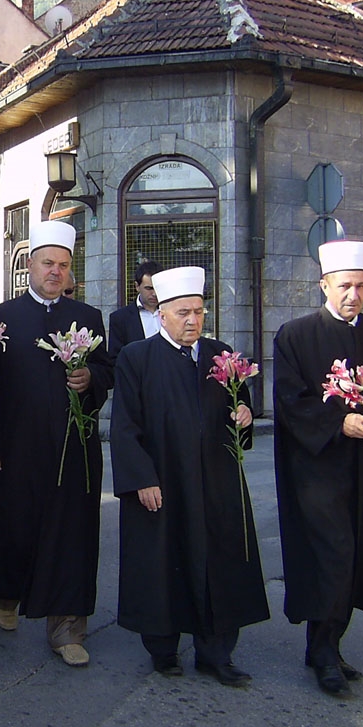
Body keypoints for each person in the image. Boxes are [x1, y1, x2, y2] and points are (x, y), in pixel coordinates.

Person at [111, 266, 269, 685]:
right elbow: (125, 426)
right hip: (163, 481)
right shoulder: (137, 357)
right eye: (183, 312)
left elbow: (242, 409)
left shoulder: (221, 355)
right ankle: (163, 650)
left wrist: (245, 415)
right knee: (162, 562)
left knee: (220, 563)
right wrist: (142, 478)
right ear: (161, 313)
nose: (193, 320)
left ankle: (216, 652)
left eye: (199, 311)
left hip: (215, 482)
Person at [273, 239, 363, 697]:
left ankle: (326, 645)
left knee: (355, 558)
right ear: (324, 285)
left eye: (361, 286)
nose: (353, 294)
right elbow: (291, 403)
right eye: (345, 285)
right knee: (331, 556)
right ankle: (325, 652)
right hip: (318, 471)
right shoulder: (295, 335)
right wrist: (341, 421)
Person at [0, 220, 113, 667]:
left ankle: (67, 627)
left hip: (74, 450)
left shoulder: (89, 318)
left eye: (63, 265)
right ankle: (7, 595)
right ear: (29, 265)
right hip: (15, 449)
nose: (55, 272)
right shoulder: (1, 316)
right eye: (47, 263)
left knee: (72, 536)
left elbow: (108, 371)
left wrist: (91, 377)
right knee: (13, 530)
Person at [108, 260, 162, 363]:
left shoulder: (173, 313)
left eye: (157, 288)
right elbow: (115, 360)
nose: (154, 293)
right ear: (137, 286)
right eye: (149, 288)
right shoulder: (120, 318)